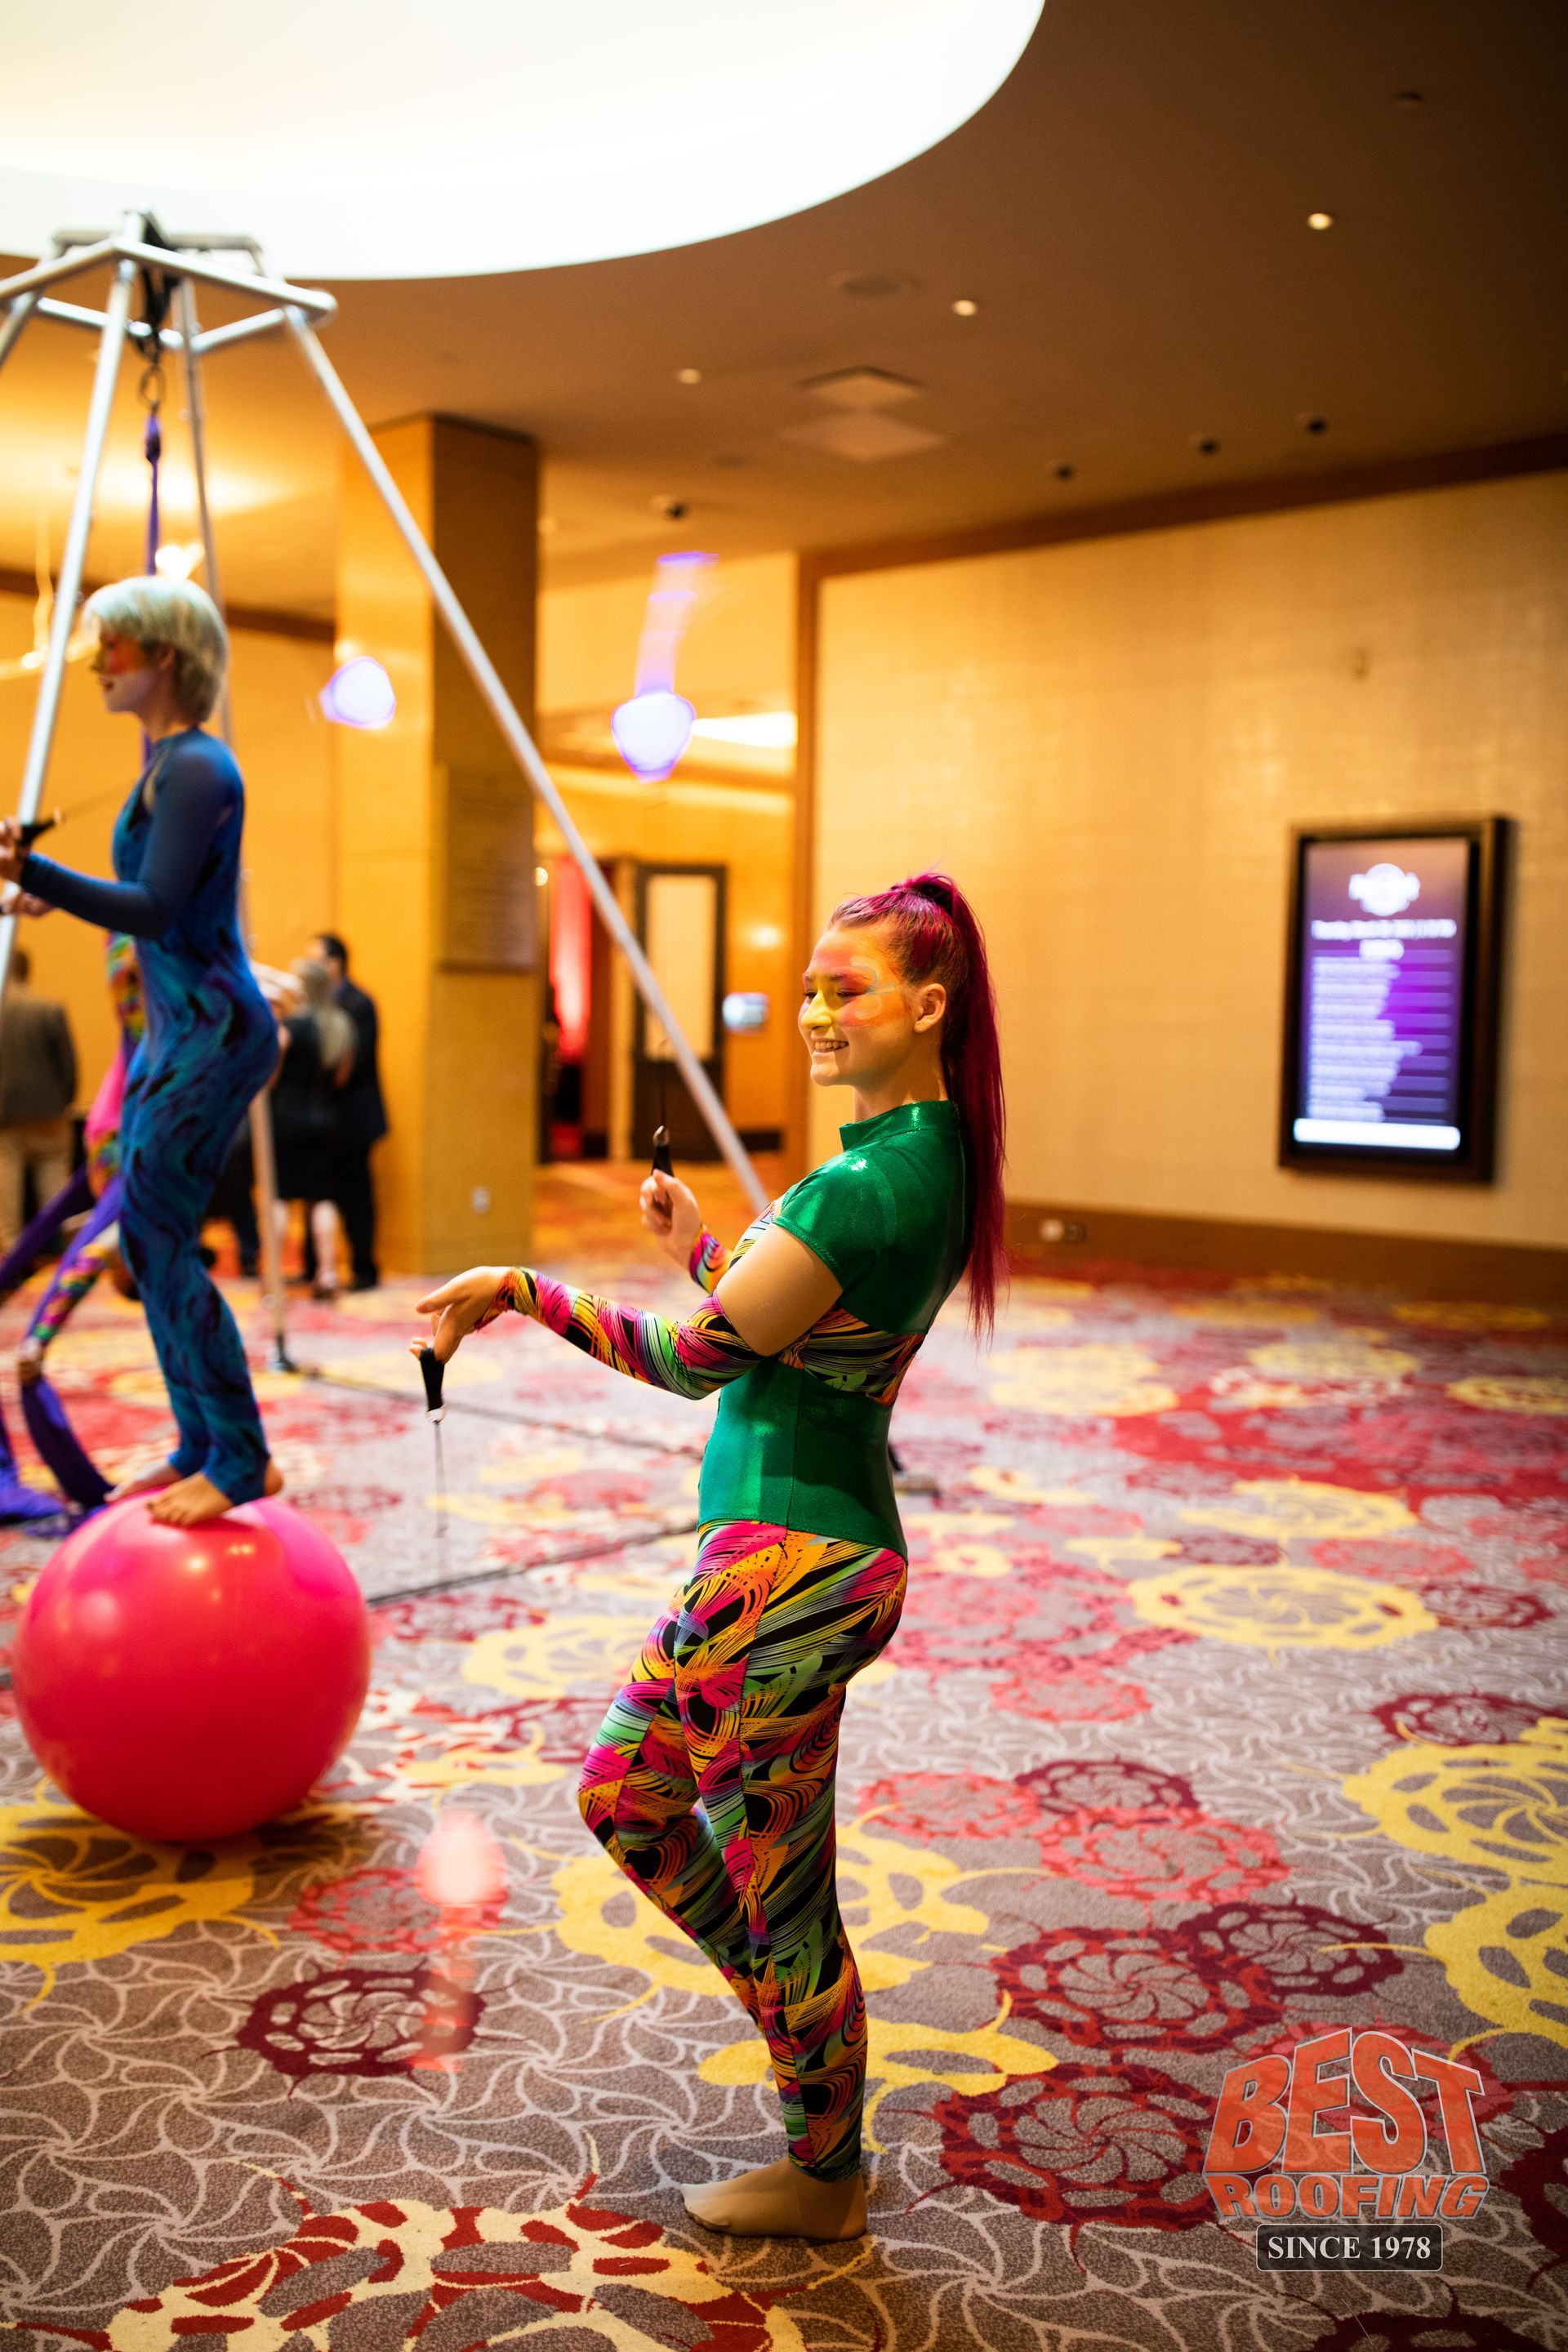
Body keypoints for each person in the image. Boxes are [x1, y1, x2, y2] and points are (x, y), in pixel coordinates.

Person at [416, 871, 1005, 2242]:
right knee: (629, 1796)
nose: (814, 1012)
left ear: (929, 1007)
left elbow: (698, 1364)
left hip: (785, 1580)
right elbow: (795, 1331)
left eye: (846, 989)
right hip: (788, 1558)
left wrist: (518, 1290)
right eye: (808, 988)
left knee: (785, 1899)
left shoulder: (863, 1184)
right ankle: (804, 2037)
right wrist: (708, 1251)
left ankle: (824, 2169)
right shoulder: (925, 1163)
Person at [0, 574, 282, 1526]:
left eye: (112, 646)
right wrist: (45, 890)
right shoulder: (170, 765)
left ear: (164, 654)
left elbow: (156, 909)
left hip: (212, 1031)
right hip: (178, 1031)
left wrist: (36, 870)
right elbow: (156, 900)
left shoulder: (198, 765)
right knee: (153, 1248)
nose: (96, 664)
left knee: (161, 1245)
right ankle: (202, 1443)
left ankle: (240, 1456)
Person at [271, 957, 354, 1299]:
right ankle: (328, 1273)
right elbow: (342, 1078)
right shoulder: (342, 1025)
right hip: (326, 1119)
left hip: (287, 1120)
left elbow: (271, 1075)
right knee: (323, 1199)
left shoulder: (290, 1027)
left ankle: (273, 1275)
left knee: (279, 1198)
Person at [311, 931, 385, 1289]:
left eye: (317, 959)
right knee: (319, 1191)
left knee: (356, 1196)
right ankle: (317, 1266)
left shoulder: (359, 1003)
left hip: (355, 1116)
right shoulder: (318, 1003)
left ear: (335, 963)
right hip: (325, 1117)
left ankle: (364, 1268)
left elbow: (357, 1061)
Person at [0, 946, 77, 1251]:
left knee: (6, 1215)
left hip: (5, 1121)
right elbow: (68, 1068)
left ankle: (10, 1267)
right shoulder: (50, 1008)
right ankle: (65, 1260)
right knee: (56, 1202)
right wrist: (62, 1104)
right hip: (50, 1117)